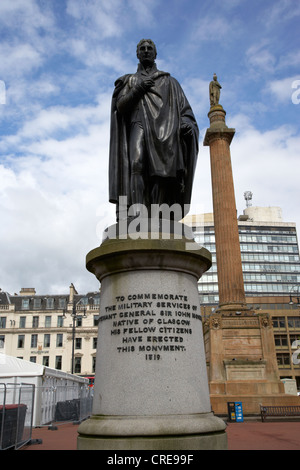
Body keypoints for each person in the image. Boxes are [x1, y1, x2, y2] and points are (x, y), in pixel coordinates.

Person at [109, 39, 199, 221]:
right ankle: (137, 214)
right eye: (142, 49)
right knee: (136, 163)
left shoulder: (170, 82)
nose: (146, 51)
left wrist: (186, 123)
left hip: (165, 131)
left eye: (150, 48)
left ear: (155, 54)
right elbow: (121, 106)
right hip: (138, 124)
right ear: (137, 54)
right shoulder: (129, 80)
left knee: (161, 172)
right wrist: (138, 89)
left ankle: (159, 216)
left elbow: (185, 110)